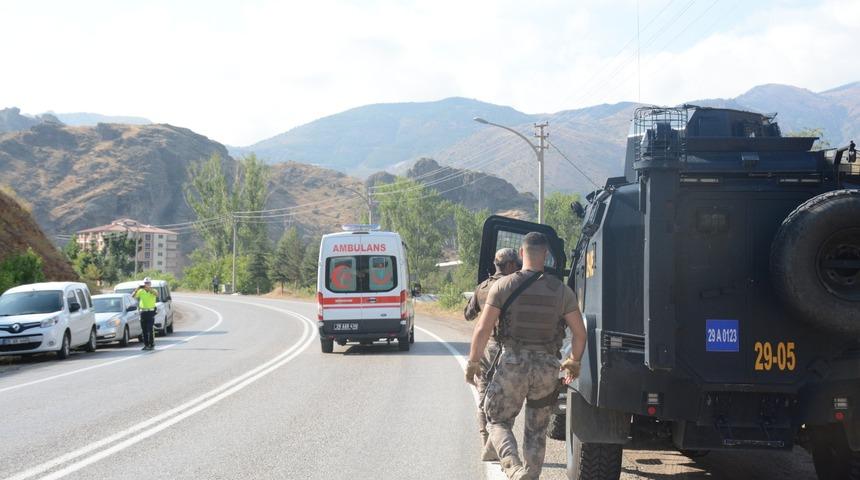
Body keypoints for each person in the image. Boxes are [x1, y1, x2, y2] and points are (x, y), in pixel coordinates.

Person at [466, 232, 587, 480]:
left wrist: (473, 362)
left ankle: (512, 465)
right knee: (537, 431)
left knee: (497, 420)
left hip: (513, 365)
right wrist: (574, 361)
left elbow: (482, 328)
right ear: (546, 255)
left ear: (522, 254)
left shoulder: (503, 285)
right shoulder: (562, 291)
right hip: (547, 369)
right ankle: (530, 476)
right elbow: (580, 334)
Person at [463, 247, 520, 461]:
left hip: (488, 348)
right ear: (511, 265)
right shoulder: (516, 285)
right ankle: (494, 444)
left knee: (483, 394)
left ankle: (485, 440)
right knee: (507, 398)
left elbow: (468, 314)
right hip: (511, 349)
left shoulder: (483, 287)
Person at [132, 277, 158, 351]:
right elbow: (133, 296)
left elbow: (156, 294)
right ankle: (146, 345)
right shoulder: (141, 291)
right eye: (145, 283)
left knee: (150, 329)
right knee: (144, 330)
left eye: (148, 283)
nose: (147, 284)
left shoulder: (153, 290)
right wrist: (137, 288)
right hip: (143, 312)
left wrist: (148, 289)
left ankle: (151, 344)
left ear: (150, 284)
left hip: (150, 312)